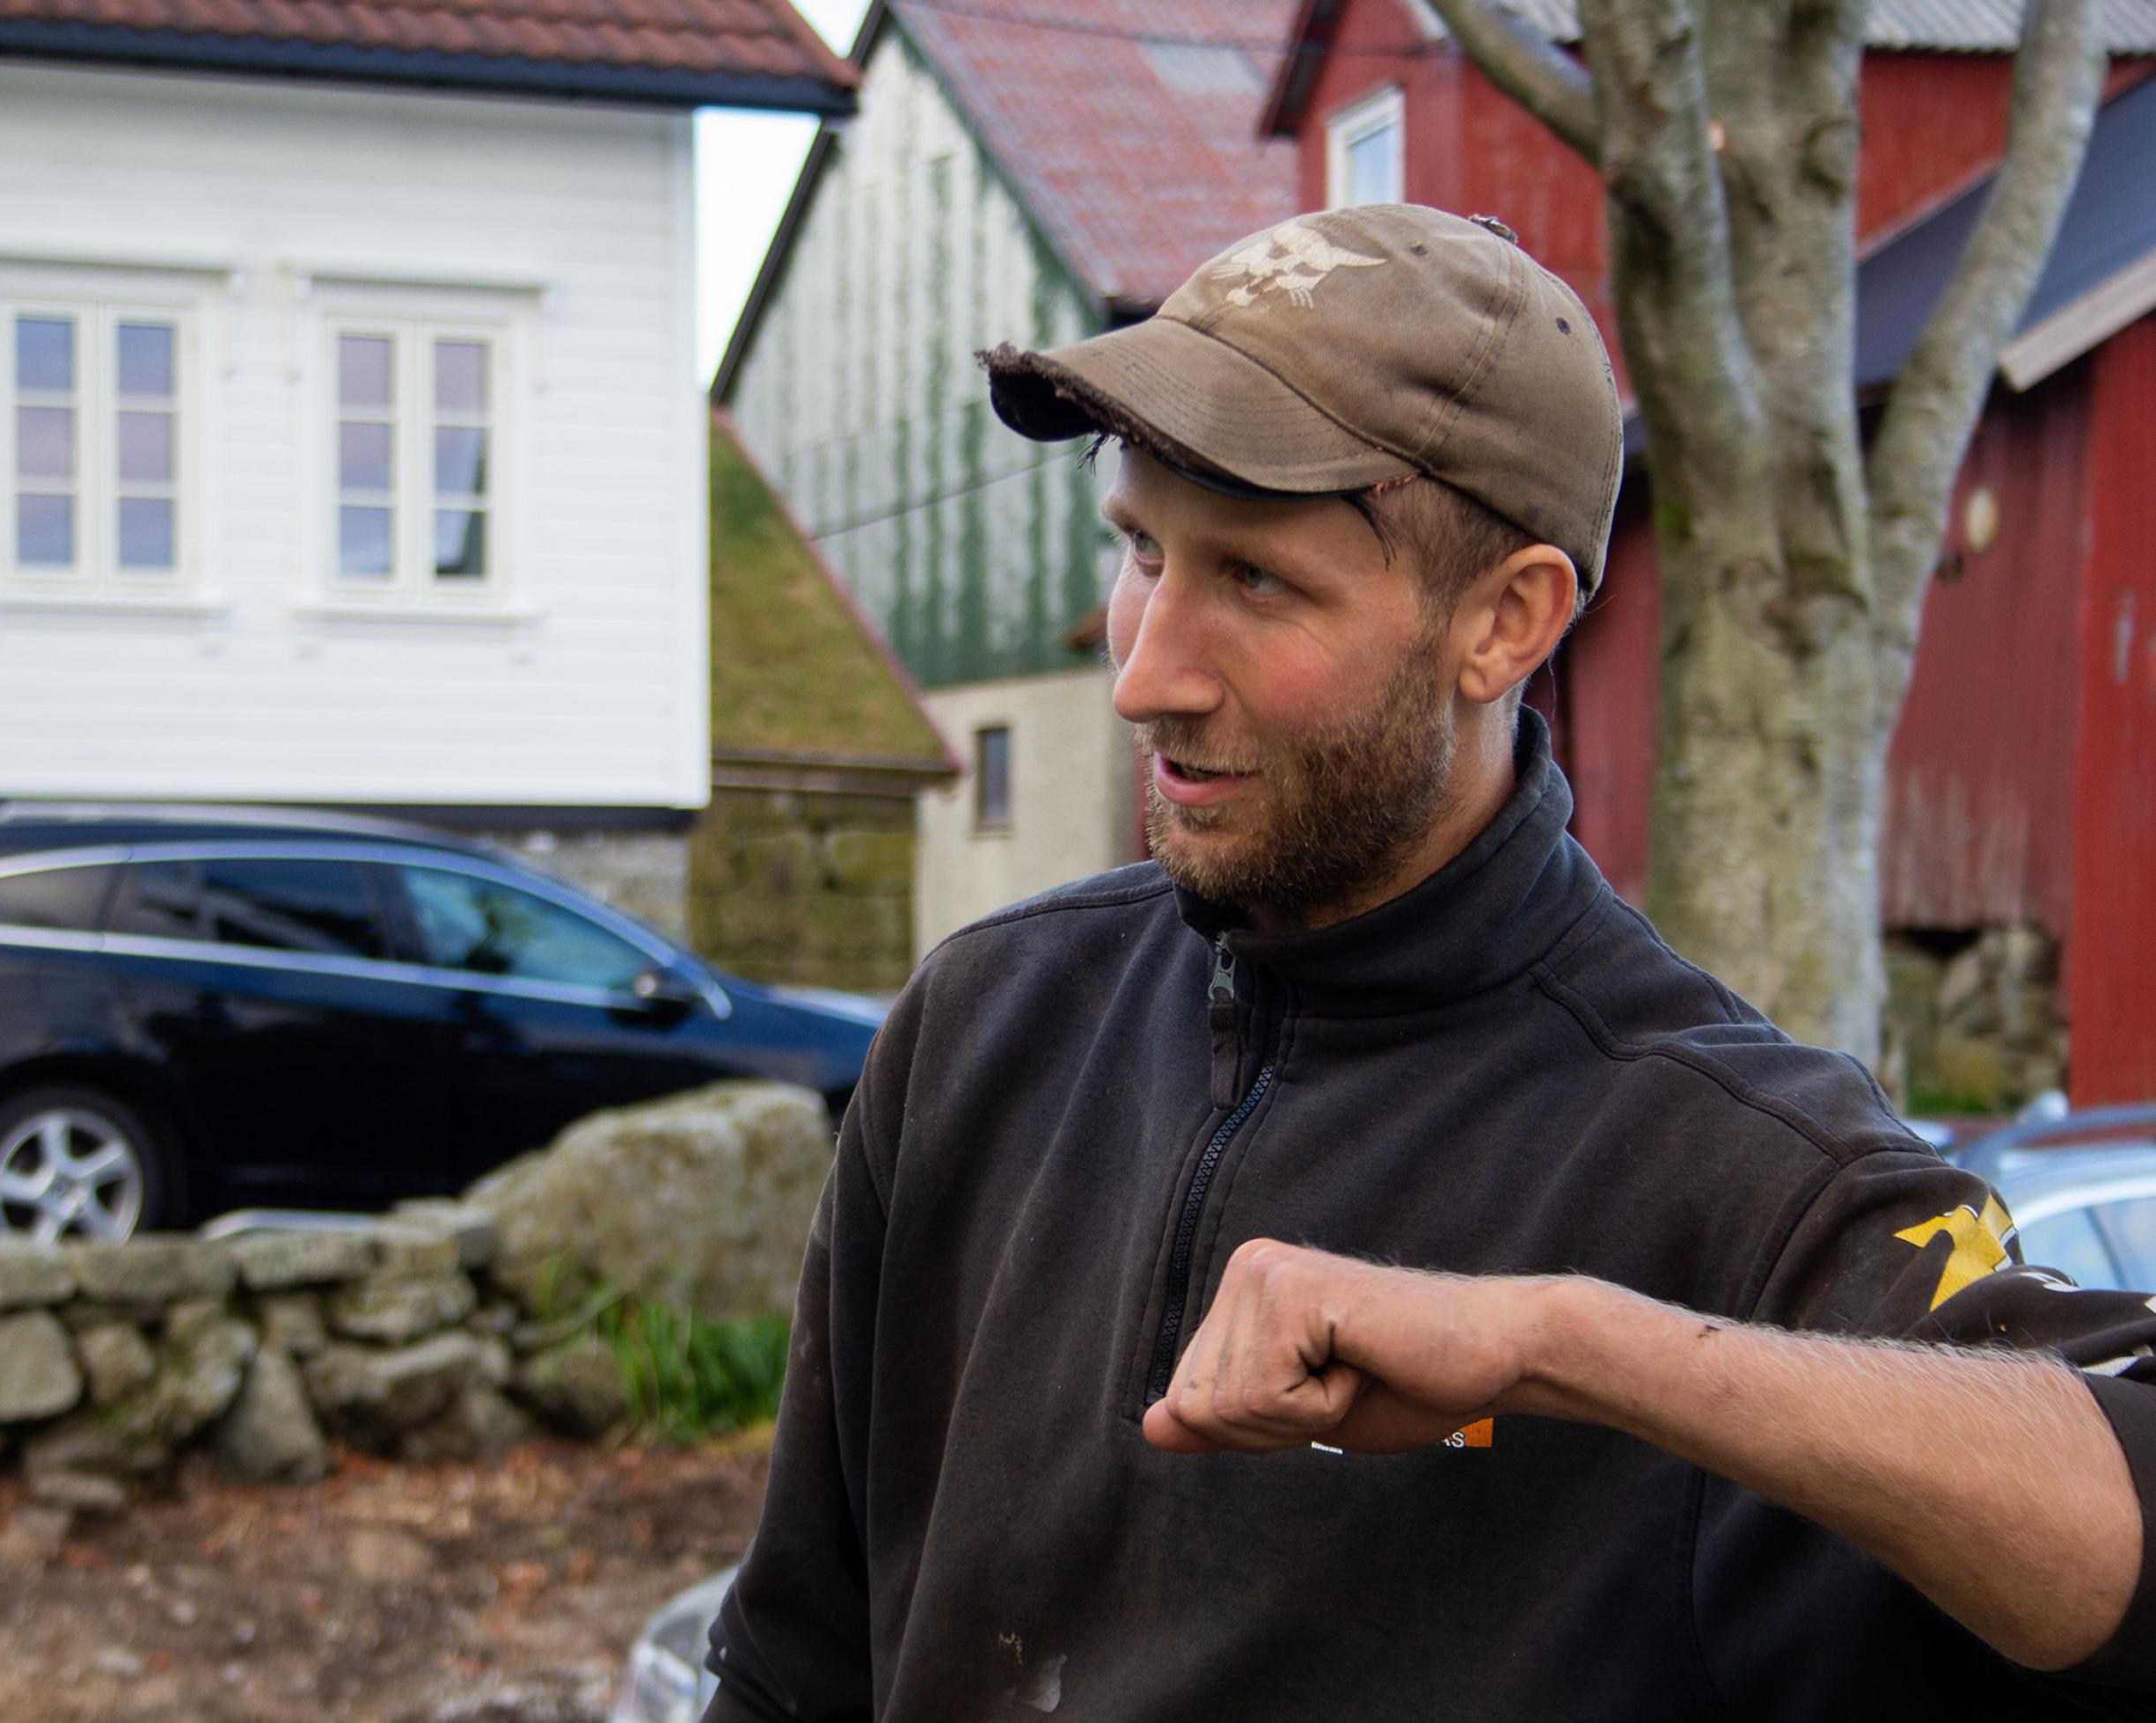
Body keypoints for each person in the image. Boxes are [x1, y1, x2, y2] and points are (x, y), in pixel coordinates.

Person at [701, 205, 2156, 1721]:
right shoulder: (982, 1024)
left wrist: (1565, 1341)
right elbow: (791, 1666)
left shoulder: (1745, 1181)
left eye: (1256, 579)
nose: (1144, 672)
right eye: (1140, 549)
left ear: (1504, 621)